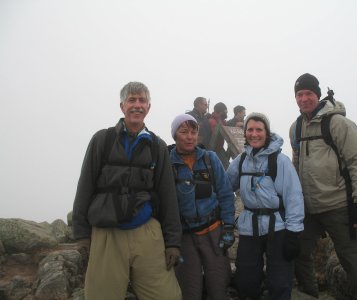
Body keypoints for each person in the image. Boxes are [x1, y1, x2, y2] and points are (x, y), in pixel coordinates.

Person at [72, 81, 182, 300]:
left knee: (166, 296)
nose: (137, 105)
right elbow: (85, 186)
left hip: (146, 231)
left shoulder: (157, 146)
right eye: (132, 100)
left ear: (148, 108)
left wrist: (173, 243)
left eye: (142, 101)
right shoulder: (102, 140)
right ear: (122, 106)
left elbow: (168, 195)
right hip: (107, 233)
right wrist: (82, 235)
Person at [289, 73, 357, 299]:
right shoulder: (296, 127)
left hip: (340, 206)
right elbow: (296, 163)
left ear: (318, 95)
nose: (303, 99)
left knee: (355, 261)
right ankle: (310, 294)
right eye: (299, 94)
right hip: (308, 209)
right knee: (298, 253)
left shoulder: (338, 123)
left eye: (308, 93)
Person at [227, 112, 304, 300]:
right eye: (250, 130)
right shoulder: (241, 161)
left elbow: (294, 198)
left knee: (279, 282)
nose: (254, 134)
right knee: (246, 280)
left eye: (259, 130)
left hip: (277, 227)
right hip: (249, 227)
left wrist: (294, 233)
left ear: (267, 132)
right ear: (245, 133)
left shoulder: (280, 161)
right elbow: (224, 187)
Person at [169, 114, 235, 300]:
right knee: (189, 291)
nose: (190, 137)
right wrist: (170, 241)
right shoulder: (168, 163)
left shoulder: (210, 159)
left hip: (213, 233)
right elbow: (164, 204)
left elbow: (225, 194)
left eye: (193, 131)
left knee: (219, 286)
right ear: (175, 135)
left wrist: (228, 226)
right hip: (185, 237)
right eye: (183, 132)